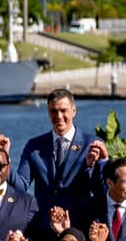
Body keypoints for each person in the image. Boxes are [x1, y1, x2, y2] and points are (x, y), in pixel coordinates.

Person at [16, 88, 108, 216]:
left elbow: (101, 191)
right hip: (43, 225)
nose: (58, 116)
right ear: (48, 112)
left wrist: (102, 163)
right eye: (53, 111)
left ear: (73, 111)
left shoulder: (91, 144)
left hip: (78, 225)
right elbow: (20, 186)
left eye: (63, 111)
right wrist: (4, 161)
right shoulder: (34, 146)